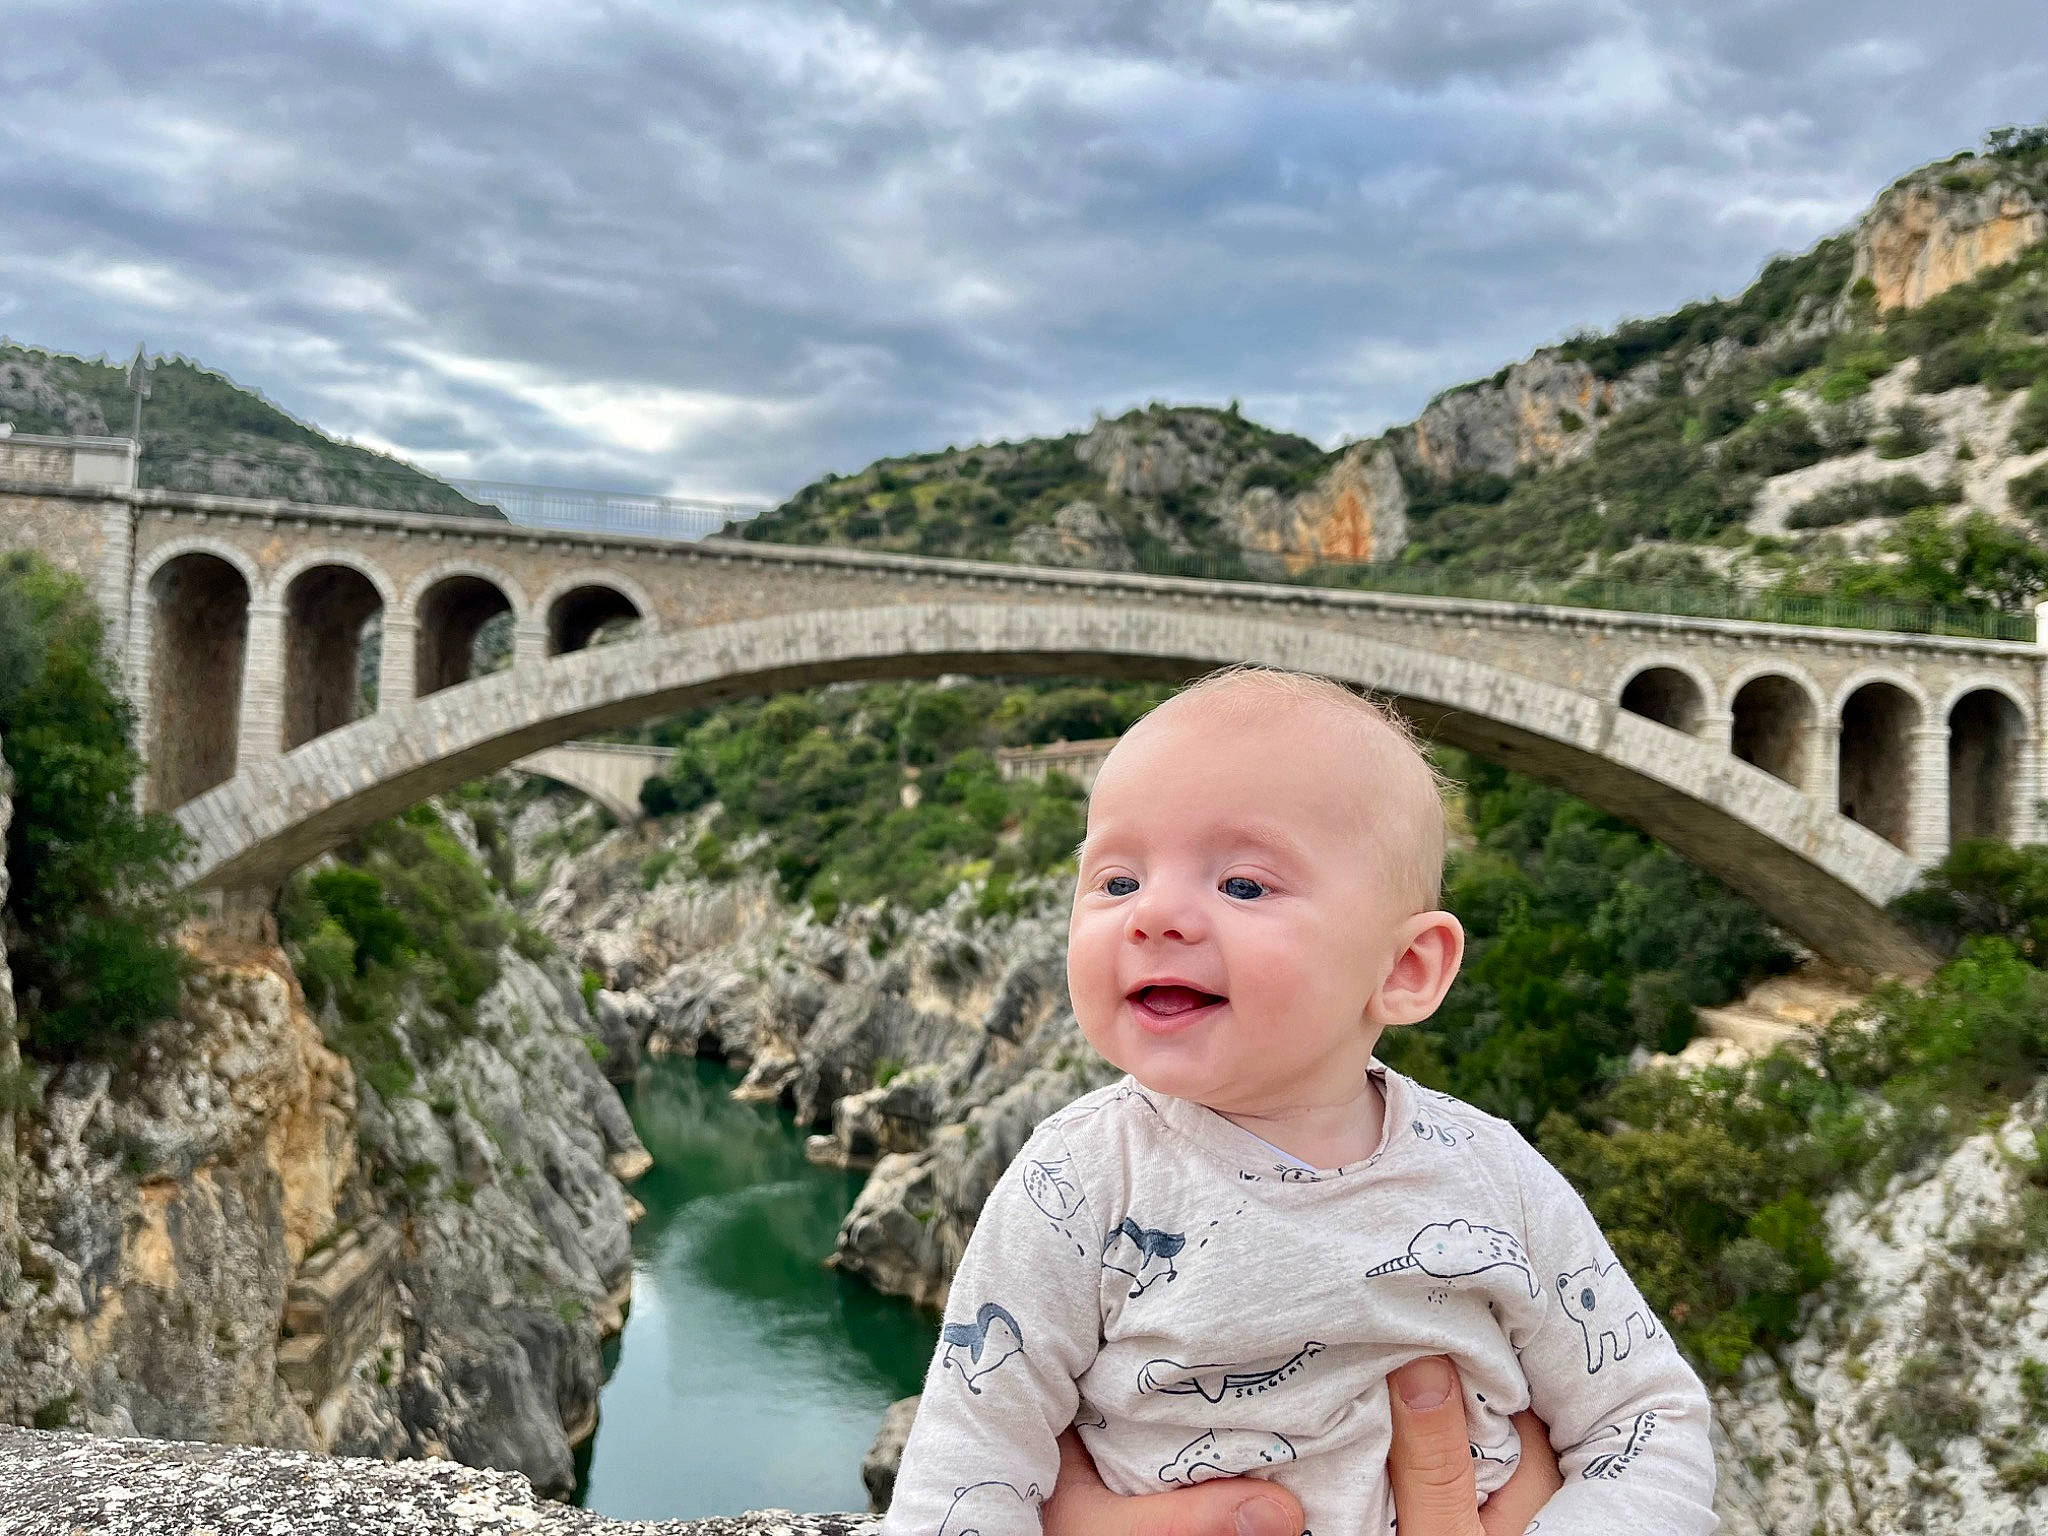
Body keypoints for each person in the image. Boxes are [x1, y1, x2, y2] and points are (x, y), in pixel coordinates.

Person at [881, 667, 1718, 1536]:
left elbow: (1645, 1419)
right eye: (1117, 881)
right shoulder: (1079, 1179)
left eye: (1243, 885)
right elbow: (969, 1465)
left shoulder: (1493, 1175)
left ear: (1406, 968)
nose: (1153, 915)